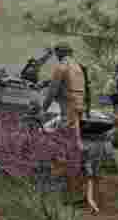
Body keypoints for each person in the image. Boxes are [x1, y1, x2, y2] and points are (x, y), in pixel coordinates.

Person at [39, 42, 91, 207]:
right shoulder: (77, 66)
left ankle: (66, 185)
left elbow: (53, 91)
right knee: (73, 142)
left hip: (68, 109)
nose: (56, 55)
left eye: (56, 53)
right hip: (78, 108)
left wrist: (43, 109)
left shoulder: (61, 67)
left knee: (64, 146)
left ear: (60, 53)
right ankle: (79, 174)